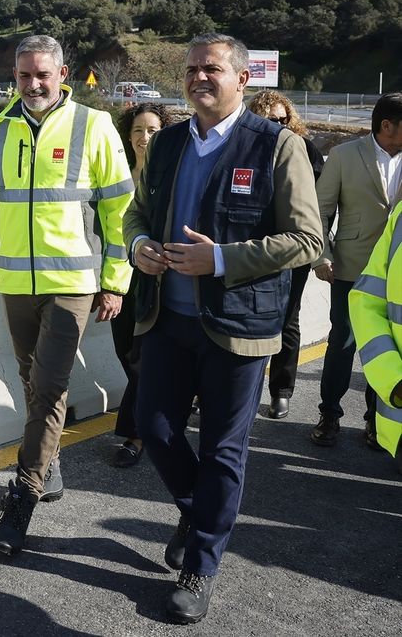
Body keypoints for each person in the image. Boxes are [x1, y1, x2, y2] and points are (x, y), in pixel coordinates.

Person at [123, 33, 321, 624]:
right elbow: (137, 211)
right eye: (190, 69)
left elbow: (307, 239)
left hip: (239, 327)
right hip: (167, 318)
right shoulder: (167, 145)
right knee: (154, 428)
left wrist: (223, 259)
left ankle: (200, 566)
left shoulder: (277, 146)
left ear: (242, 80)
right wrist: (138, 246)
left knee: (223, 449)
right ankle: (199, 508)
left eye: (211, 68)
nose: (197, 78)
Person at [0, 34, 132, 556]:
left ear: (63, 75)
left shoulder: (95, 126)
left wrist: (117, 279)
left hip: (72, 282)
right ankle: (50, 458)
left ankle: (23, 495)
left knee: (48, 385)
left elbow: (120, 211)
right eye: (24, 75)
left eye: (43, 75)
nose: (33, 84)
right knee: (30, 378)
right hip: (16, 282)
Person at [315, 92, 402, 447]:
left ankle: (375, 420)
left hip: (395, 276)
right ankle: (329, 414)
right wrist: (321, 256)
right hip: (350, 267)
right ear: (387, 125)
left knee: (387, 350)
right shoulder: (344, 155)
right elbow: (319, 212)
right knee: (343, 342)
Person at [247, 90, 325, 419]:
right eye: (269, 121)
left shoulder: (304, 149)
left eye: (282, 120)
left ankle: (281, 391)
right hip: (250, 251)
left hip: (293, 251)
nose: (278, 126)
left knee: (287, 321)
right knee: (247, 324)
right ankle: (241, 393)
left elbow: (320, 207)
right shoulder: (244, 148)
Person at [109, 103, 170, 467]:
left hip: (156, 276)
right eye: (138, 130)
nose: (145, 137)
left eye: (152, 130)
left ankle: (135, 434)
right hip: (118, 277)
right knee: (124, 352)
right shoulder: (116, 173)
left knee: (141, 360)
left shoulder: (171, 172)